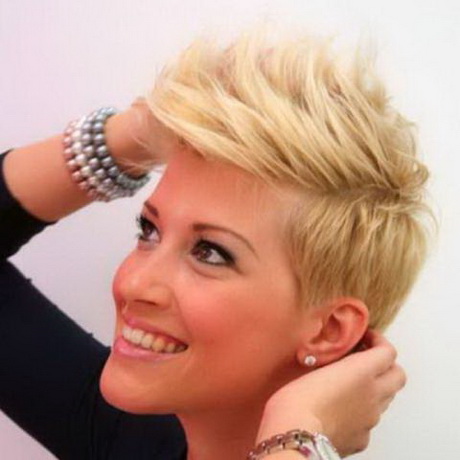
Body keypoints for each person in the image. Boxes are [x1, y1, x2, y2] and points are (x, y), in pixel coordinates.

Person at [0, 30, 430, 460]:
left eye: (209, 252)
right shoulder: (128, 440)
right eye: (149, 231)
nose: (132, 283)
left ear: (329, 330)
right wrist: (143, 129)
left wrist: (297, 437)